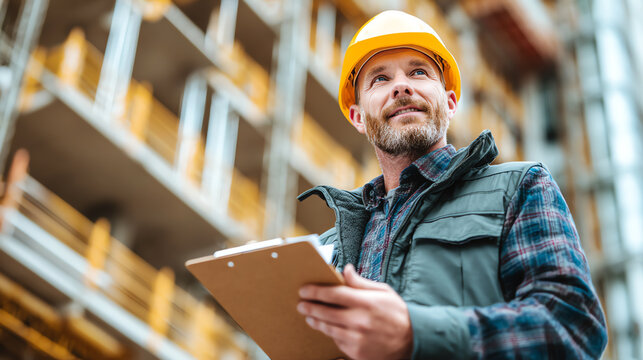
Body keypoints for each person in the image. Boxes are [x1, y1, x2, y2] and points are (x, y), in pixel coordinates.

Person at [295, 10, 607, 360]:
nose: (402, 85)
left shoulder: (518, 189)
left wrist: (416, 333)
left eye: (418, 72)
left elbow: (572, 326)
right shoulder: (329, 248)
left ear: (451, 101)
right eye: (379, 79)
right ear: (358, 117)